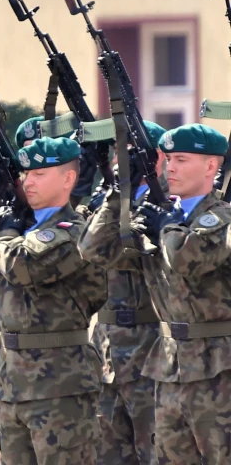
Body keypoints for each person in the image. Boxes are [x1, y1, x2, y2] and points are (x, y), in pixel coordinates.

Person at [81, 123, 231, 463]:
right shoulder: (159, 217)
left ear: (211, 166)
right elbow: (94, 249)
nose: (171, 167)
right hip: (169, 364)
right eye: (170, 159)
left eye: (182, 159)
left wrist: (164, 227)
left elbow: (185, 258)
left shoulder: (220, 218)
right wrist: (120, 190)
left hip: (219, 366)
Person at [0, 136, 105, 464]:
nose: (28, 181)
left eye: (39, 174)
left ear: (68, 178)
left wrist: (5, 231)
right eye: (25, 174)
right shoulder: (15, 226)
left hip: (58, 385)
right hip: (7, 381)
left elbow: (22, 267)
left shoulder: (74, 231)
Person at [78, 122, 164, 465]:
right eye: (116, 152)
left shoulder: (164, 203)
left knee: (155, 452)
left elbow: (110, 251)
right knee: (108, 454)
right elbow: (88, 247)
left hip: (151, 345)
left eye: (128, 153)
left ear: (152, 159)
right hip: (107, 346)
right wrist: (114, 195)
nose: (118, 160)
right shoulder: (109, 202)